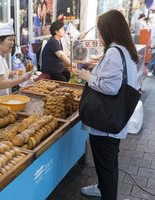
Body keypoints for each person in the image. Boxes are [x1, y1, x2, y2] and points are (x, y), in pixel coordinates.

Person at [77, 10, 139, 200]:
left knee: (106, 165)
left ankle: (107, 193)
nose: (99, 36)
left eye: (99, 31)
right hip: (115, 119)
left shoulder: (114, 51)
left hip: (105, 123)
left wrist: (89, 77)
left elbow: (110, 87)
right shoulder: (125, 49)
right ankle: (102, 188)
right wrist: (97, 70)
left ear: (108, 31)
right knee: (108, 163)